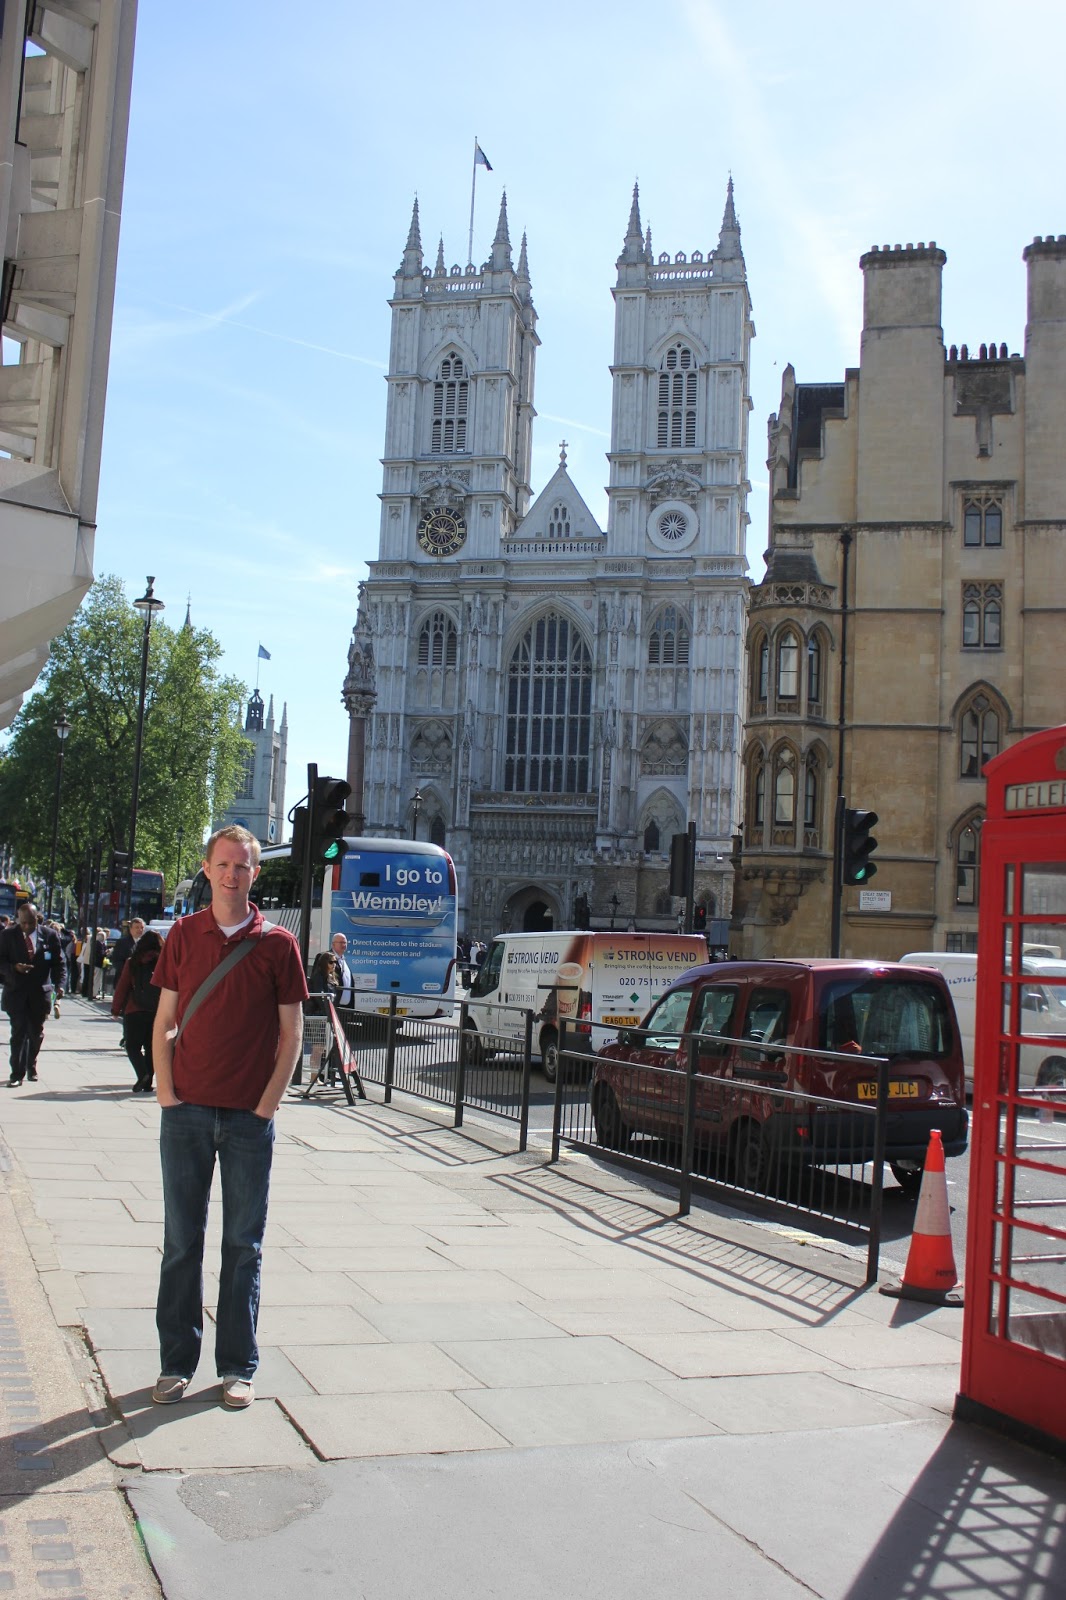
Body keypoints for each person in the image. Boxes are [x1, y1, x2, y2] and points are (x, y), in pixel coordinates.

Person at [150, 825, 307, 1410]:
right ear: (207, 869)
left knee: (244, 1246)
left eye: (243, 866)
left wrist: (268, 1105)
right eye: (223, 865)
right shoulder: (184, 936)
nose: (232, 875)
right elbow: (163, 1019)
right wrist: (166, 1093)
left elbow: (292, 1033)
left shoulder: (278, 944)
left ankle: (237, 1367)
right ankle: (175, 1362)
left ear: (254, 874)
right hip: (186, 1111)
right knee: (180, 1243)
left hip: (247, 1119)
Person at [0, 902, 64, 1086]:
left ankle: (31, 1065)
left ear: (37, 919)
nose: (26, 927)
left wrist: (60, 985)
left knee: (35, 1033)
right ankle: (16, 1074)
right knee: (18, 1032)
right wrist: (14, 968)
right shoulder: (7, 935)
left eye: (30, 923)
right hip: (16, 992)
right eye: (23, 923)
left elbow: (59, 963)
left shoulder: (50, 935)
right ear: (18, 920)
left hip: (39, 993)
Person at [111, 928, 163, 1091]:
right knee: (151, 1047)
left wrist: (116, 1009)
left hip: (134, 1009)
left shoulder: (132, 961)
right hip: (157, 1011)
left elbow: (123, 986)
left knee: (132, 1046)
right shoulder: (164, 962)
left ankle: (142, 1074)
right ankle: (148, 1082)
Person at [330, 932, 354, 1007]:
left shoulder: (343, 960)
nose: (343, 945)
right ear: (333, 944)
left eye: (345, 942)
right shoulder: (327, 957)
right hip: (334, 1006)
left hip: (346, 1008)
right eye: (341, 942)